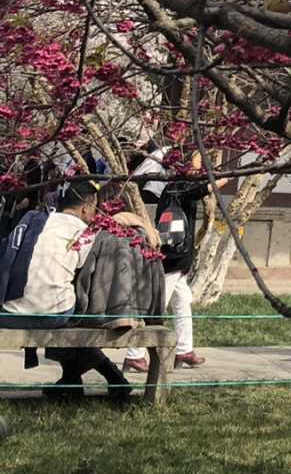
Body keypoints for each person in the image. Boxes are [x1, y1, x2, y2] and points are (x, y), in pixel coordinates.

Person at [0, 176, 158, 401]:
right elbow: (84, 272)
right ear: (87, 207)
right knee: (71, 313)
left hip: (10, 313)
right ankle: (96, 379)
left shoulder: (34, 222)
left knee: (65, 315)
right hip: (53, 313)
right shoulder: (85, 233)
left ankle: (74, 383)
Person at [123, 154, 223, 373]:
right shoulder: (180, 187)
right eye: (197, 162)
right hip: (173, 259)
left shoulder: (175, 187)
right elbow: (207, 187)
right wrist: (234, 174)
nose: (202, 166)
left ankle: (184, 350)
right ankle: (134, 354)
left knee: (182, 301)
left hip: (178, 258)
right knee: (158, 305)